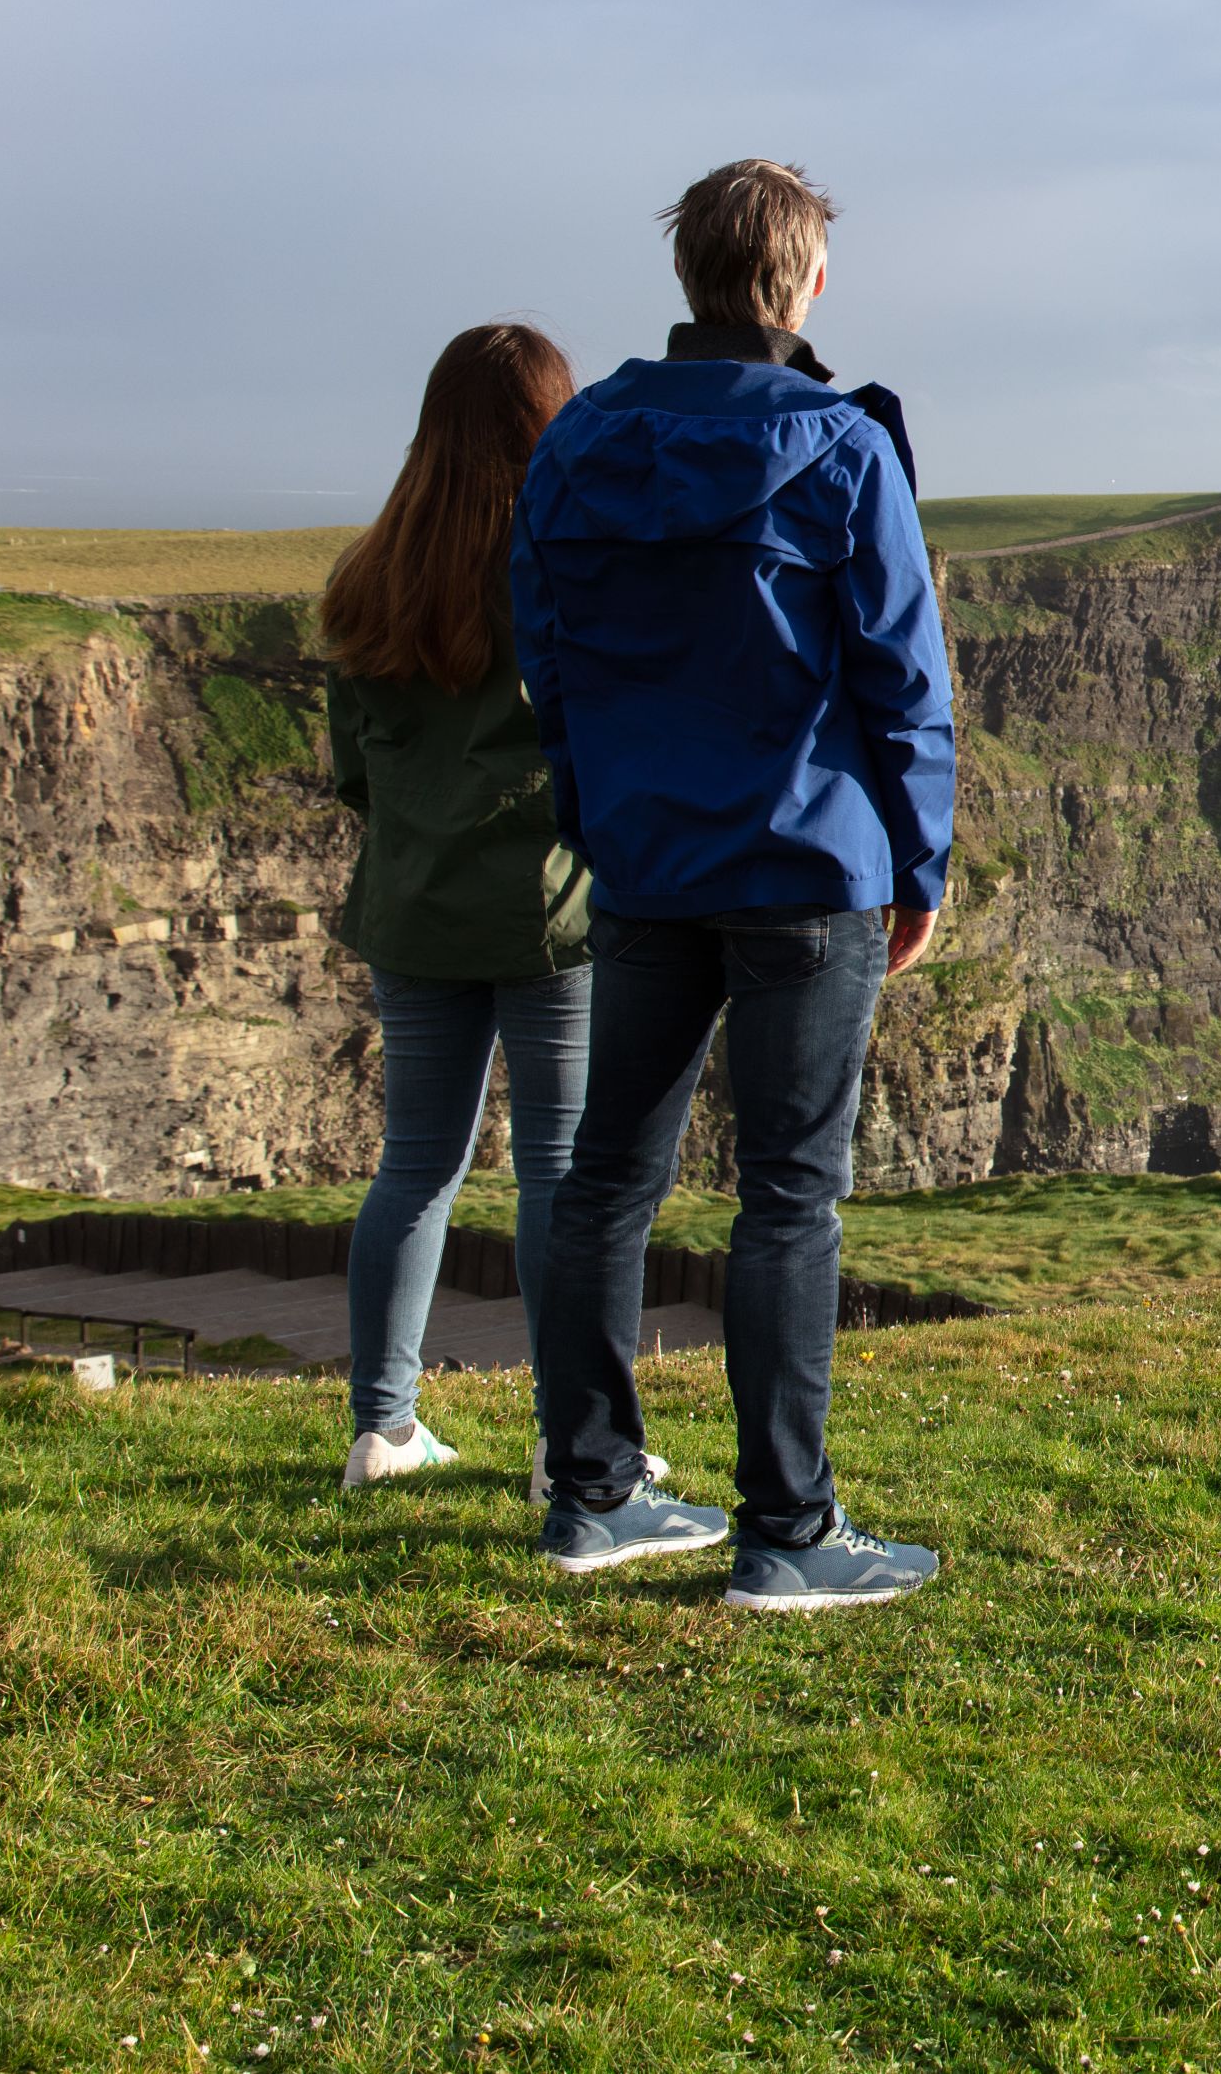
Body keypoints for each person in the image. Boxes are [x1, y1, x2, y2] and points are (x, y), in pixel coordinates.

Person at [511, 158, 956, 1610]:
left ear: (688, 273)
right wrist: (920, 860)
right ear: (808, 280)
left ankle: (593, 1494)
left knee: (607, 1178)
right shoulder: (842, 447)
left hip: (646, 863)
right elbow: (903, 679)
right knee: (788, 1195)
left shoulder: (578, 442)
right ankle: (787, 1531)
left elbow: (548, 657)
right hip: (808, 866)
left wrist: (595, 817)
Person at [323, 323, 592, 1493]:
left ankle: (383, 1428)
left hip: (414, 910)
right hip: (551, 918)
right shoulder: (567, 569)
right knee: (558, 1174)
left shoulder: (369, 575)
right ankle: (567, 1442)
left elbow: (353, 772)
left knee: (415, 1166)